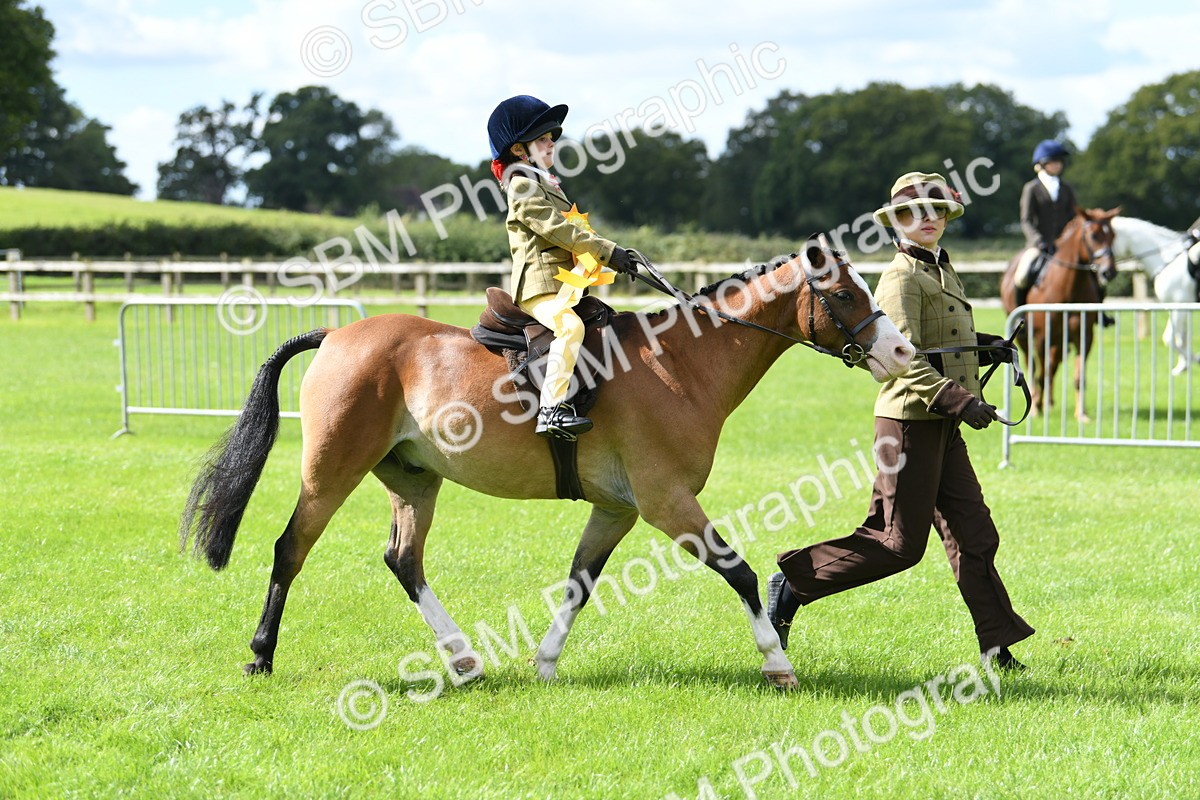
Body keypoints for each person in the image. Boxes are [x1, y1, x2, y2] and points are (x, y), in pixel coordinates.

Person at [766, 172, 1035, 671]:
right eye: (914, 212)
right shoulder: (900, 277)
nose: (928, 218)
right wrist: (958, 400)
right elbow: (902, 358)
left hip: (941, 425)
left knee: (975, 536)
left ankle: (998, 648)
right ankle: (794, 578)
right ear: (896, 223)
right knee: (896, 545)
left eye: (936, 209)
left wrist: (985, 345)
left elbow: (942, 334)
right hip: (909, 423)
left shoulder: (940, 268)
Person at [486, 95, 636, 439]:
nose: (551, 142)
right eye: (542, 139)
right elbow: (555, 228)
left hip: (563, 285)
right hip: (539, 288)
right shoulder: (522, 183)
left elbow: (577, 229)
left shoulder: (544, 182)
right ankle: (552, 410)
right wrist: (606, 250)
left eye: (551, 137)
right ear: (520, 150)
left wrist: (616, 252)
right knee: (570, 328)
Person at [1015, 140, 1110, 322]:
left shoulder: (1066, 188)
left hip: (1064, 245)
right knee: (1023, 275)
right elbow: (1026, 220)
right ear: (1042, 163)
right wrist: (1038, 240)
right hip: (1039, 244)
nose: (1058, 165)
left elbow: (1074, 217)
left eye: (1060, 162)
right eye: (1053, 161)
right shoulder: (1031, 188)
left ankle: (1100, 313)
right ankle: (1021, 317)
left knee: (1095, 272)